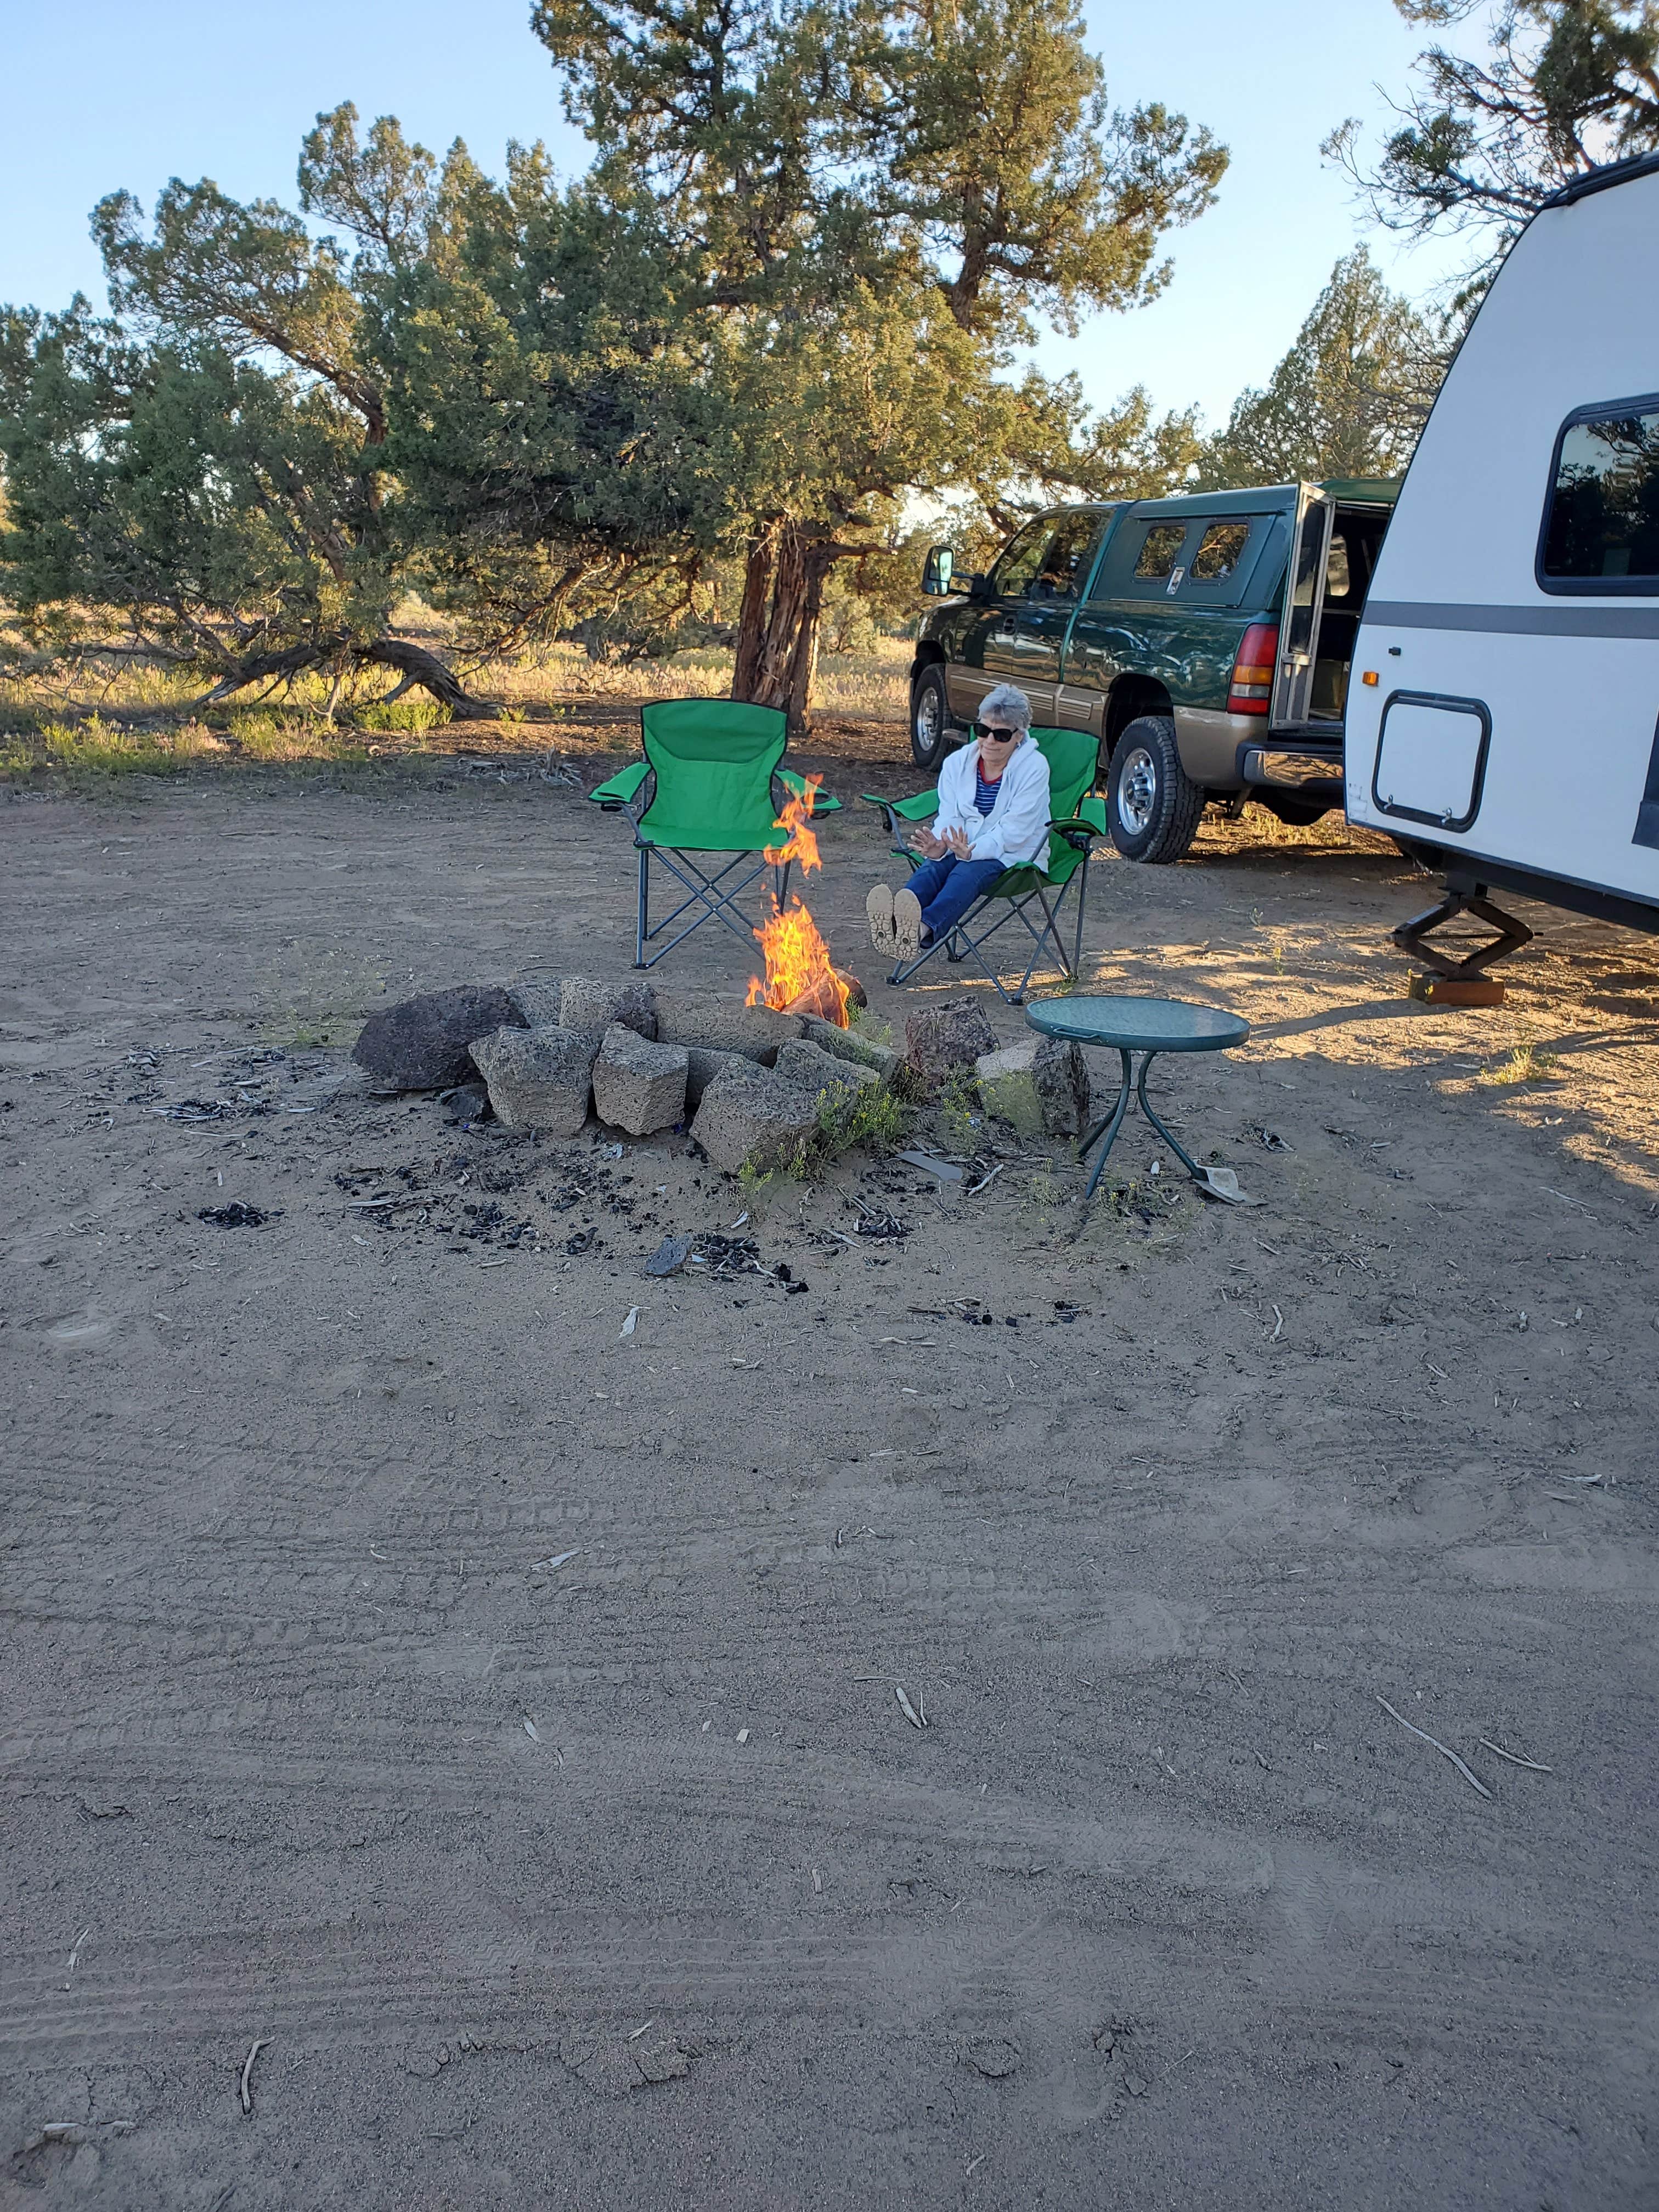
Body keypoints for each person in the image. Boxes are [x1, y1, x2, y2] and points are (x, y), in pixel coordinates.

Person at [867, 683, 1051, 959]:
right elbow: (951, 815)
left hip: (1015, 853)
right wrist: (942, 843)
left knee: (966, 872)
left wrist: (973, 851)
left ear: (1019, 737)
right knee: (934, 867)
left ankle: (919, 930)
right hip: (965, 844)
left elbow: (1015, 831)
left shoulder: (1034, 768)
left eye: (1001, 735)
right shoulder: (958, 763)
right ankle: (896, 919)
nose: (989, 741)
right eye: (983, 731)